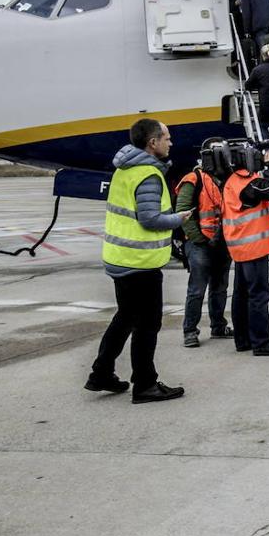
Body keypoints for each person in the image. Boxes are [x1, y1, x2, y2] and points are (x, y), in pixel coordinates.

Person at [85, 119, 189, 403]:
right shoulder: (148, 175)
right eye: (167, 137)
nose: (171, 142)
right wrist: (179, 219)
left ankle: (101, 373)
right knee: (147, 324)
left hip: (120, 257)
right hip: (139, 262)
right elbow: (150, 219)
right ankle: (145, 384)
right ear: (152, 143)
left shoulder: (124, 169)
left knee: (125, 318)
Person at [222, 143, 269, 356]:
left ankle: (243, 340)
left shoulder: (233, 180)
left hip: (242, 246)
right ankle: (262, 342)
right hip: (252, 247)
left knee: (242, 294)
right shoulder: (245, 182)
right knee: (259, 295)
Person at [175, 138, 232, 348]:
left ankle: (218, 325)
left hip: (221, 242)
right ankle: (190, 330)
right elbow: (183, 211)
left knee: (220, 288)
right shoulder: (194, 179)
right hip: (200, 244)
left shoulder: (226, 179)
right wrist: (199, 239)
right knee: (197, 290)